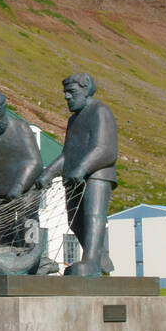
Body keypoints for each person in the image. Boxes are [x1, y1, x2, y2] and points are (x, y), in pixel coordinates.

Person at [35, 72, 117, 276]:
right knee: (74, 219)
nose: (67, 97)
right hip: (74, 179)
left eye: (71, 92)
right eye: (65, 93)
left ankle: (90, 261)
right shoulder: (73, 120)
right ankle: (98, 257)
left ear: (86, 90)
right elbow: (67, 154)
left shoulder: (100, 111)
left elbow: (104, 149)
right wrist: (48, 173)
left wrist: (82, 168)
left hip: (97, 174)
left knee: (93, 215)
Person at [0, 90, 42, 247]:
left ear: (4, 109)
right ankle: (13, 262)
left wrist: (18, 186)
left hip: (26, 191)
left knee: (29, 226)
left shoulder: (21, 128)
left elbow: (34, 161)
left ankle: (35, 258)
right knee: (5, 236)